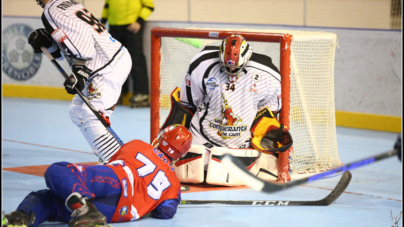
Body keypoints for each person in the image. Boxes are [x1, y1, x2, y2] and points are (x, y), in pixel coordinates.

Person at [161, 34, 292, 186]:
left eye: (235, 67)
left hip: (241, 146)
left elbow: (269, 114)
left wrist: (267, 132)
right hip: (201, 141)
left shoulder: (269, 75)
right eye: (227, 66)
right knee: (185, 175)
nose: (231, 70)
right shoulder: (202, 64)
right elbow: (186, 105)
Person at [2, 124, 192, 227]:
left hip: (114, 180)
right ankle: (86, 211)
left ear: (160, 138)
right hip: (118, 213)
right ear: (181, 155)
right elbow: (166, 213)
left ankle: (20, 219)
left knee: (57, 173)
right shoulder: (174, 185)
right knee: (56, 201)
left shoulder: (138, 144)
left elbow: (110, 164)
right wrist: (151, 203)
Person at [27, 0, 131, 163]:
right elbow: (69, 47)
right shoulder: (67, 3)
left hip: (106, 66)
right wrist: (50, 44)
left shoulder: (51, 10)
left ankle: (119, 166)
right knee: (77, 112)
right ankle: (107, 156)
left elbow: (81, 36)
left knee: (92, 114)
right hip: (109, 61)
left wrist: (80, 69)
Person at [101, 0, 154, 108]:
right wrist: (102, 22)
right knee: (115, 62)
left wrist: (139, 21)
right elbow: (107, 6)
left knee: (136, 60)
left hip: (132, 25)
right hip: (114, 26)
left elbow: (149, 6)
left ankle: (141, 94)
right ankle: (118, 93)